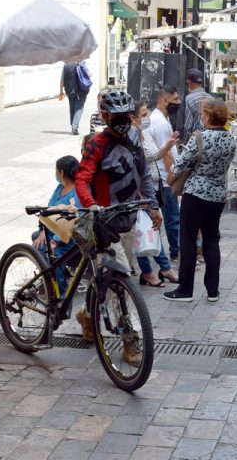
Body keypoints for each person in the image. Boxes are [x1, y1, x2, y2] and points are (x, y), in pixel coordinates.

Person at [75, 90, 162, 357]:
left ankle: (87, 315)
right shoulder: (96, 144)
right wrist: (92, 205)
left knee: (109, 278)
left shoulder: (135, 137)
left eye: (126, 115)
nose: (122, 120)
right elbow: (82, 179)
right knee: (121, 284)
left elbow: (143, 173)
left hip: (130, 219)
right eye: (116, 116)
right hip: (104, 224)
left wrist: (152, 204)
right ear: (105, 116)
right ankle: (130, 342)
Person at [164, 99, 236, 302]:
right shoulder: (230, 139)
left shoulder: (200, 138)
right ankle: (213, 290)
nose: (201, 117)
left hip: (195, 194)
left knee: (188, 240)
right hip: (218, 195)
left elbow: (181, 164)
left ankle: (185, 289)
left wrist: (171, 173)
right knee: (212, 240)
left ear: (209, 116)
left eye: (203, 114)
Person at [132, 102, 180, 287]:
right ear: (133, 117)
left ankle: (157, 269)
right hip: (140, 192)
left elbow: (154, 154)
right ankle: (156, 270)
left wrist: (167, 146)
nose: (147, 118)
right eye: (143, 114)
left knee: (151, 228)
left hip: (152, 186)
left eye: (147, 113)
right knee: (144, 230)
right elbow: (148, 157)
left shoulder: (145, 132)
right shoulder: (133, 135)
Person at [32, 155, 82, 290]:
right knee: (37, 238)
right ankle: (49, 280)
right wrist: (43, 230)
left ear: (62, 172)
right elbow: (48, 210)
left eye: (56, 170)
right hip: (53, 230)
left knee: (51, 251)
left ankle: (59, 288)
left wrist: (54, 241)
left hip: (69, 237)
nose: (55, 173)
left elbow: (73, 223)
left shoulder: (77, 192)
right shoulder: (59, 188)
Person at [148, 85, 183, 262]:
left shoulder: (161, 119)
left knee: (172, 216)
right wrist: (173, 177)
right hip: (165, 178)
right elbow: (166, 153)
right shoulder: (160, 123)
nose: (178, 103)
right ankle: (176, 252)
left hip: (165, 177)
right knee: (172, 217)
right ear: (164, 101)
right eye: (175, 99)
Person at [59, 61, 90, 135]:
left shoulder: (66, 65)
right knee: (79, 109)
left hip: (70, 91)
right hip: (81, 90)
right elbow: (89, 74)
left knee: (72, 109)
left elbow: (62, 80)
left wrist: (61, 92)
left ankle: (73, 126)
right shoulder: (82, 63)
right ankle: (75, 127)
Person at [183, 68, 212, 144]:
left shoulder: (189, 99)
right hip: (211, 140)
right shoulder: (211, 98)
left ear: (188, 81)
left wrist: (185, 144)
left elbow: (188, 127)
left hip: (196, 142)